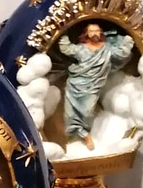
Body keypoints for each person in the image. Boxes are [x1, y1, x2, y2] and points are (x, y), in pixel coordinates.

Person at [57, 22, 135, 150]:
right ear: (86, 34)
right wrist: (62, 32)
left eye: (97, 31)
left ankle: (84, 133)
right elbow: (66, 48)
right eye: (91, 31)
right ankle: (78, 137)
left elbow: (122, 53)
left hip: (93, 86)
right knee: (69, 115)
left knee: (87, 112)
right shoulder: (81, 49)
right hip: (75, 85)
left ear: (101, 33)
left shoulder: (107, 49)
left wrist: (128, 39)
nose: (94, 33)